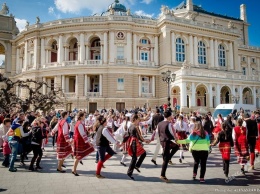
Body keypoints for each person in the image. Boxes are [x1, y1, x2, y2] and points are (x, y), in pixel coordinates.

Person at [123, 114, 149, 180]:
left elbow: (127, 135)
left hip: (131, 142)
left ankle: (136, 166)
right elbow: (139, 136)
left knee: (142, 154)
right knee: (135, 158)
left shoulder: (130, 126)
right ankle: (130, 172)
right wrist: (145, 140)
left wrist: (123, 142)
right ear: (135, 120)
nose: (138, 121)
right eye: (138, 120)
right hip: (135, 142)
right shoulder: (135, 127)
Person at [157, 110, 179, 182]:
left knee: (176, 147)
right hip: (166, 141)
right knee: (165, 160)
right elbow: (172, 133)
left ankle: (168, 157)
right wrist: (176, 139)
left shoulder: (160, 123)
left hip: (162, 141)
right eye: (171, 115)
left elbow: (156, 132)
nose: (172, 117)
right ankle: (162, 175)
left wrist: (151, 139)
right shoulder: (169, 124)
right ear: (169, 116)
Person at [72, 112, 94, 176]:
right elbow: (83, 134)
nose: (85, 117)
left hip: (79, 140)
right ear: (81, 117)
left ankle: (74, 169)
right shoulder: (79, 124)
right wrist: (88, 142)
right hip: (80, 141)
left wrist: (87, 127)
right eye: (84, 116)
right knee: (78, 156)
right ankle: (74, 170)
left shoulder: (79, 123)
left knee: (78, 156)